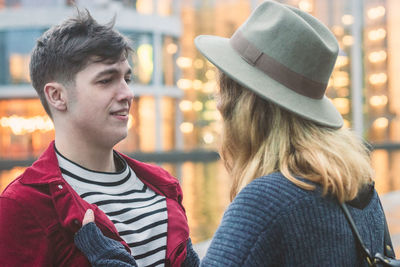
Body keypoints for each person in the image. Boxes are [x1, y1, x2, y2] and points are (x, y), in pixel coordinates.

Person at [74, 1, 392, 266]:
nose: (219, 105)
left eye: (222, 94)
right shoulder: (360, 187)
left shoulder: (268, 201)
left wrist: (108, 254)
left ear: (244, 108)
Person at [0, 10, 195, 267]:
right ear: (57, 96)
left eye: (127, 78)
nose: (127, 94)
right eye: (106, 80)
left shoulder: (164, 186)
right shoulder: (22, 207)